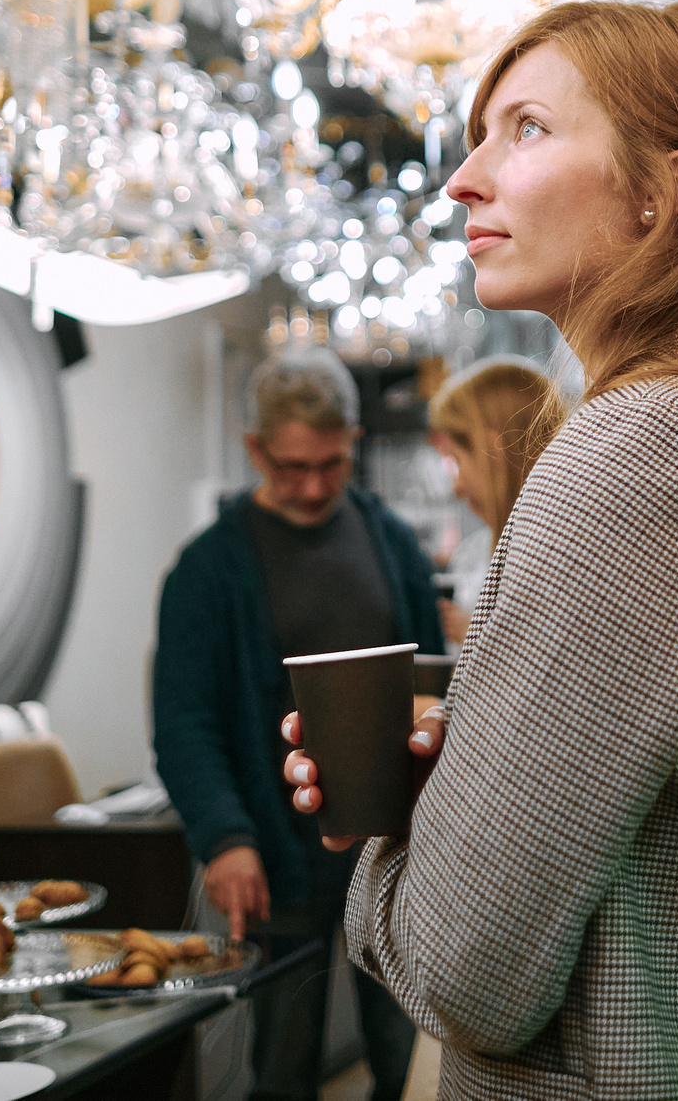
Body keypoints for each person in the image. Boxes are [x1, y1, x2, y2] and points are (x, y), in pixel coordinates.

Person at [285, 0, 678, 1098]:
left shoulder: (641, 447)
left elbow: (462, 972)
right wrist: (475, 763)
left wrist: (391, 840)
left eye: (525, 128)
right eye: (479, 133)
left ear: (661, 190)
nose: (462, 179)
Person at [151, 347, 445, 1101]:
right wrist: (224, 837)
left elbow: (432, 689)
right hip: (275, 852)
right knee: (282, 1066)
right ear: (254, 450)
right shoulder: (206, 570)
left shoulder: (393, 541)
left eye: (330, 464)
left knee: (407, 1052)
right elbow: (184, 723)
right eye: (291, 467)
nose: (313, 487)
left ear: (351, 439)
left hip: (396, 844)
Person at [425, 355, 561, 640]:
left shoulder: (552, 560)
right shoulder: (481, 551)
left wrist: (476, 638)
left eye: (457, 462)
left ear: (492, 449)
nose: (456, 487)